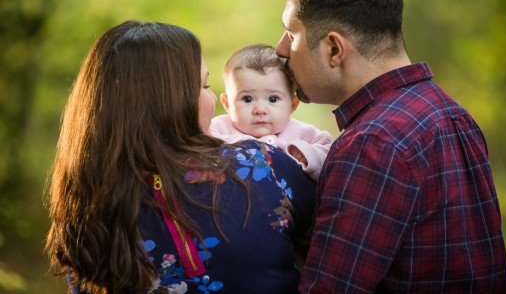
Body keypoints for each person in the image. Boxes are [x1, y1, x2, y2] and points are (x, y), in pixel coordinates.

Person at [275, 0, 506, 293]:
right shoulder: (451, 113)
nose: (281, 48)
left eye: (291, 33)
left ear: (333, 48)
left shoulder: (372, 142)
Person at [45, 20, 316, 293]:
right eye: (205, 86)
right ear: (173, 102)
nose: (212, 99)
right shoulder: (259, 166)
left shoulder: (82, 206)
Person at [210, 44, 332, 181]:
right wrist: (247, 145)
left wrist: (307, 154)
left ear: (293, 105)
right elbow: (199, 147)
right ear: (227, 103)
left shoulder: (302, 133)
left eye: (273, 99)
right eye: (247, 99)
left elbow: (330, 155)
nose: (260, 110)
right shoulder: (220, 128)